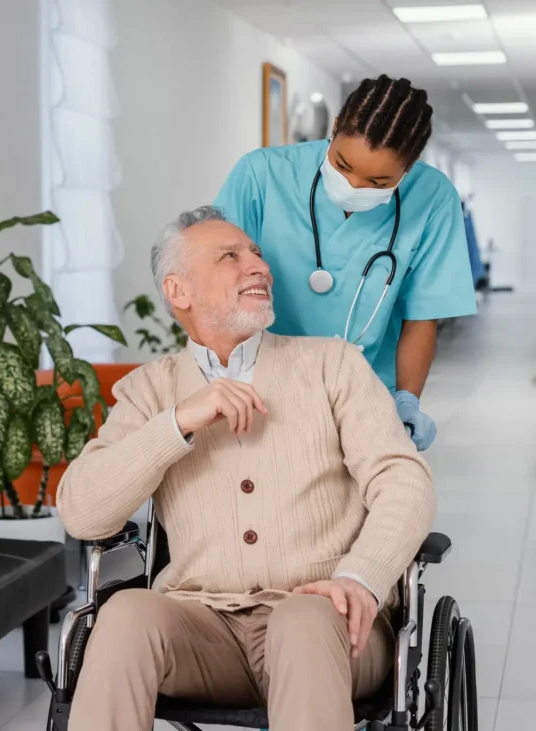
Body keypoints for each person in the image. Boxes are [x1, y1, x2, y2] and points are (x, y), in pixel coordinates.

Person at [58, 206, 435, 731]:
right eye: (229, 257)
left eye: (255, 254)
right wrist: (180, 422)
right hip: (202, 629)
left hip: (329, 625)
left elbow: (403, 479)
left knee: (303, 621)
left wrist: (362, 577)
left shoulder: (333, 365)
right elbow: (82, 514)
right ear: (179, 291)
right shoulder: (150, 389)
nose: (258, 266)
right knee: (125, 614)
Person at [213, 75, 477, 451]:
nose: (354, 186)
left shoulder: (433, 198)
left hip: (366, 391)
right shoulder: (262, 175)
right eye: (342, 164)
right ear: (334, 127)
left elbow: (423, 315)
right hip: (259, 384)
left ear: (410, 166)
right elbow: (218, 283)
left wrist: (407, 400)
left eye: (378, 181)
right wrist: (226, 379)